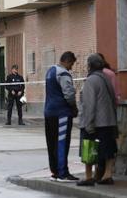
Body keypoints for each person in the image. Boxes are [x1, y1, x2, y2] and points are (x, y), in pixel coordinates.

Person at [76, 54, 118, 186]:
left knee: (88, 148)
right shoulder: (106, 78)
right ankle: (108, 174)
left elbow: (89, 104)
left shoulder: (91, 80)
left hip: (95, 121)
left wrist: (88, 124)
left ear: (89, 66)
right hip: (108, 120)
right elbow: (113, 99)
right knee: (108, 148)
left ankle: (88, 177)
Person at [44, 51, 79, 183]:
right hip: (61, 113)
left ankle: (54, 171)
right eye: (71, 64)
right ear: (67, 61)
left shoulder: (50, 71)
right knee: (62, 142)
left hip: (49, 112)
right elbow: (69, 94)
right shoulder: (63, 73)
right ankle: (62, 173)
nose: (71, 67)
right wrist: (74, 108)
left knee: (51, 143)